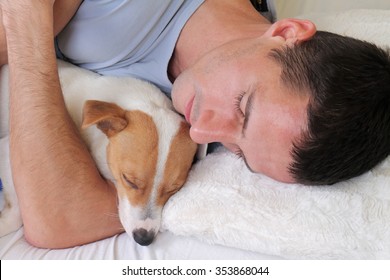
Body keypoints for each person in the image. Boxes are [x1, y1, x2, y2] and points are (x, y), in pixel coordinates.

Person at [0, 0, 389, 249]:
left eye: (238, 151)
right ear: (286, 33)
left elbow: (60, 221)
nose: (203, 132)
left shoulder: (185, 137)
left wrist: (29, 29)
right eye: (243, 106)